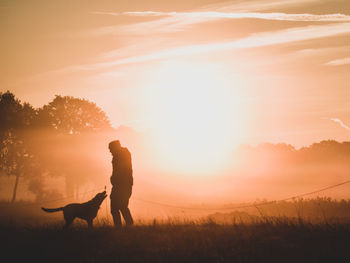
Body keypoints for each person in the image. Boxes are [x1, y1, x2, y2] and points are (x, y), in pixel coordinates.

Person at [109, 140, 134, 227]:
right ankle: (126, 226)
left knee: (120, 207)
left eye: (111, 149)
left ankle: (125, 226)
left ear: (115, 148)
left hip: (122, 185)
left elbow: (120, 171)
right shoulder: (121, 155)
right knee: (119, 207)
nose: (110, 151)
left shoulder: (120, 156)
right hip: (120, 185)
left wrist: (114, 179)